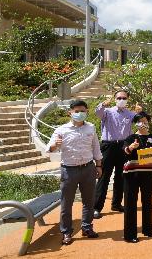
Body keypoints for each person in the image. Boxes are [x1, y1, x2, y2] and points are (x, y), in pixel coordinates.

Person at [47, 99, 102, 246]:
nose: (79, 114)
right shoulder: (61, 130)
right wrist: (54, 146)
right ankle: (66, 232)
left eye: (82, 111)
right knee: (67, 203)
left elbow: (96, 147)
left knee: (89, 201)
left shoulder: (90, 128)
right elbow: (50, 148)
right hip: (69, 170)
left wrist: (99, 165)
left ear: (87, 112)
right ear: (69, 113)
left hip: (88, 168)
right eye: (76, 111)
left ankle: (87, 227)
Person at [94, 90, 140, 218]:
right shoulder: (107, 111)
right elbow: (97, 112)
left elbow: (140, 122)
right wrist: (103, 104)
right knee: (104, 177)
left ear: (127, 99)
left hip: (123, 146)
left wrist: (139, 112)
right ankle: (96, 207)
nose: (121, 100)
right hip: (108, 146)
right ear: (115, 99)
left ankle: (116, 204)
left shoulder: (130, 114)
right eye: (119, 98)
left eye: (124, 98)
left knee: (121, 176)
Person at [121, 111, 152, 243]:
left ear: (148, 122)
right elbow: (125, 151)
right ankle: (130, 234)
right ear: (135, 123)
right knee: (130, 203)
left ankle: (147, 229)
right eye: (139, 121)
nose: (142, 123)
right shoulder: (130, 137)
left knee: (147, 201)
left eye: (145, 121)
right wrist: (131, 147)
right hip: (132, 174)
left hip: (149, 174)